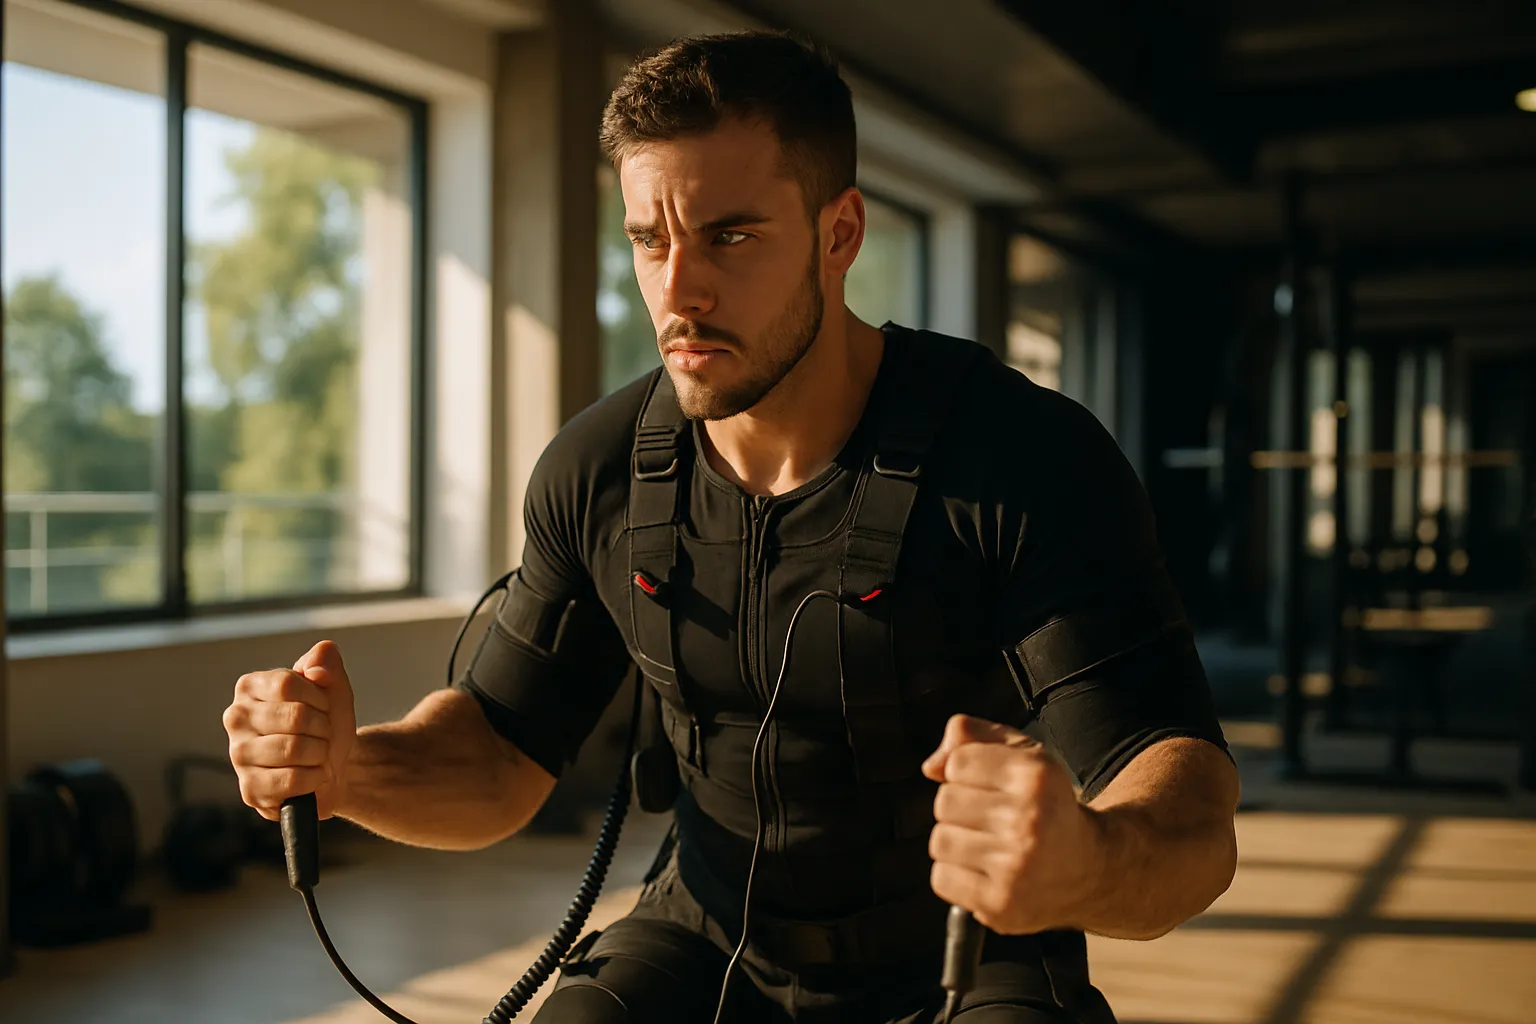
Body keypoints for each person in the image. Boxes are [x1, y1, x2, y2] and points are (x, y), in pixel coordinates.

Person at [223, 30, 1240, 1023]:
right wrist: (349, 768)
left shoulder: (1021, 460)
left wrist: (1088, 859)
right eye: (649, 238)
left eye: (730, 235)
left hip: (972, 948)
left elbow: (1188, 810)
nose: (678, 289)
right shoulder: (600, 470)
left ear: (840, 234)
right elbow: (498, 752)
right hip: (705, 936)